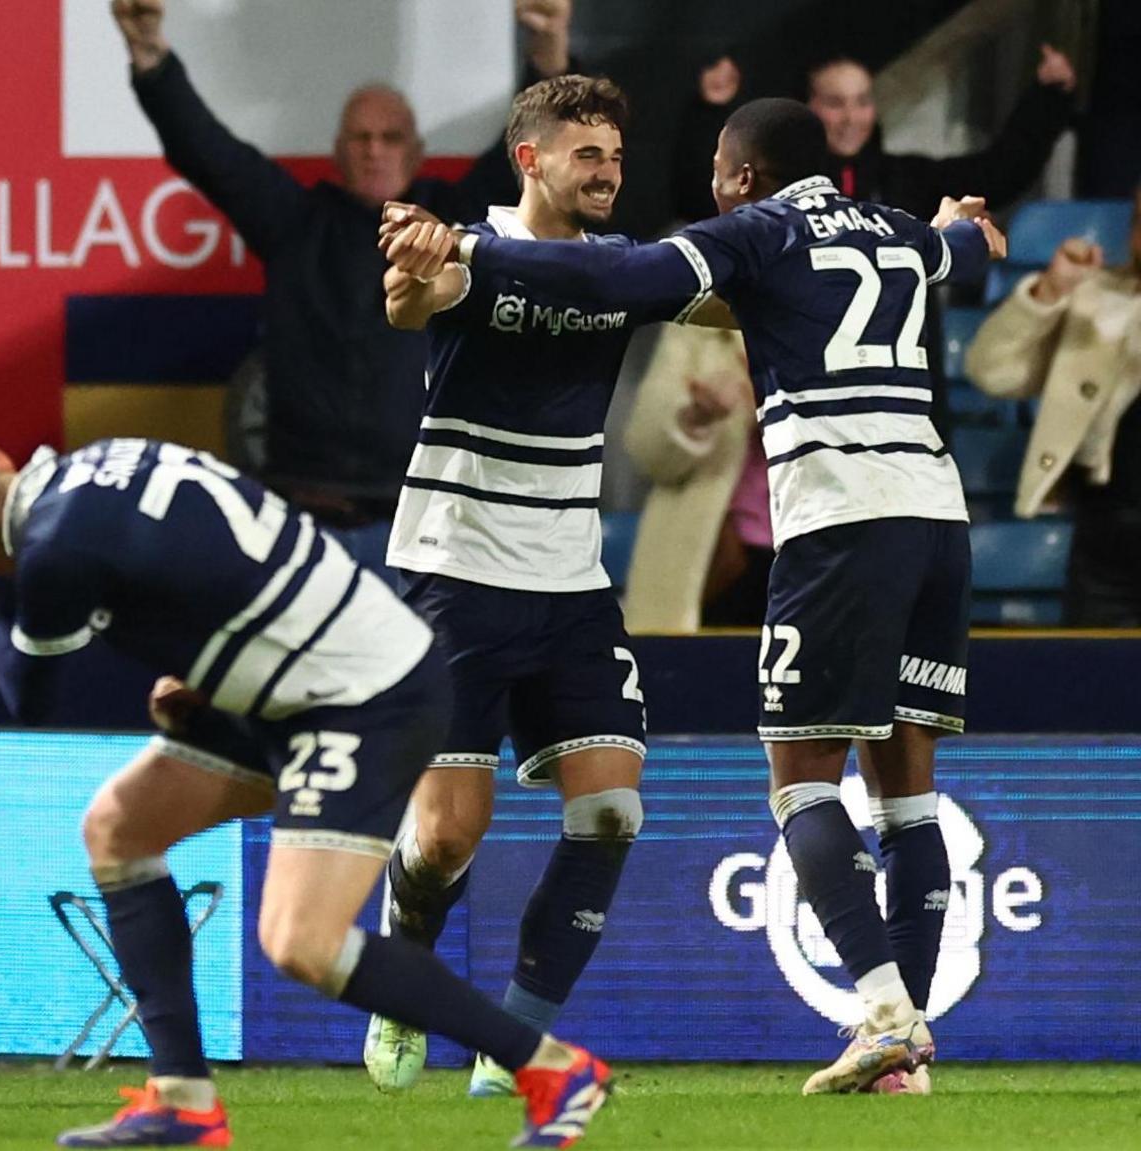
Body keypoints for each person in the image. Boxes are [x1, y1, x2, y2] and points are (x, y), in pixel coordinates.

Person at [394, 96, 1003, 1095]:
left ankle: (887, 1014)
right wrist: (961, 224)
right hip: (937, 514)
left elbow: (618, 272)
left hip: (841, 516)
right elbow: (963, 252)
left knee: (801, 777)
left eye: (718, 169)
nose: (709, 186)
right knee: (907, 785)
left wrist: (473, 246)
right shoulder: (895, 230)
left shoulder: (756, 231)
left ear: (745, 176)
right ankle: (907, 1049)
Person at [0, 437, 614, 1149]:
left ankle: (553, 1067)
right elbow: (224, 560)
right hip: (311, 678)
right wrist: (218, 680)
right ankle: (183, 1099)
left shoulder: (50, 553)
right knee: (119, 828)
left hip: (362, 698)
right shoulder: (108, 457)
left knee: (302, 940)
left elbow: (25, 690)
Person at [364, 75, 679, 1099]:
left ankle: (518, 1043)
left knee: (612, 812)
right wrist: (416, 260)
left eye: (615, 157)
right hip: (455, 570)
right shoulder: (467, 247)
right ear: (530, 158)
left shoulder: (621, 272)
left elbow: (718, 297)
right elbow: (411, 297)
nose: (606, 173)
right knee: (450, 830)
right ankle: (400, 954)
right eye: (586, 155)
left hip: (569, 579)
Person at [109, 0, 576, 574]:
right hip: (306, 521)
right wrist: (149, 54)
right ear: (337, 151)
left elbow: (535, 159)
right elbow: (205, 149)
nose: (374, 148)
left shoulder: (455, 224)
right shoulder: (295, 223)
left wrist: (548, 54)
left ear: (416, 151)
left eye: (389, 136)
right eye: (360, 137)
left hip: (422, 527)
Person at [964, 181, 1141, 626]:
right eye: (1140, 221)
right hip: (1107, 540)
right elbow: (991, 370)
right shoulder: (1094, 297)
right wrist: (1050, 291)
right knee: (1096, 685)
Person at [672, 46, 1077, 220]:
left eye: (862, 101)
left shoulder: (905, 181)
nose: (851, 117)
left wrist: (1047, 99)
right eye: (835, 103)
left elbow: (999, 173)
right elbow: (701, 199)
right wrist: (709, 111)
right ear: (805, 107)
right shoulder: (773, 187)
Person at [618, 325, 766, 632]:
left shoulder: (856, 320)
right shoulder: (700, 324)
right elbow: (646, 453)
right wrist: (695, 418)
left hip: (819, 562)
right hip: (712, 566)